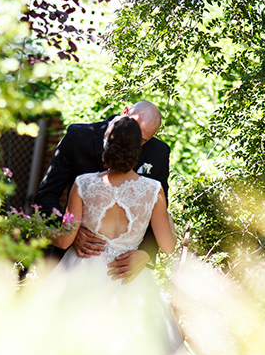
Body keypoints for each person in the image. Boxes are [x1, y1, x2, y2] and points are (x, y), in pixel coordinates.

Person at [49, 116, 182, 355]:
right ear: (137, 151)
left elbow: (64, 239)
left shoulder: (84, 184)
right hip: (128, 278)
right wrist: (168, 222)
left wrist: (46, 231)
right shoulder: (153, 190)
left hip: (81, 272)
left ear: (107, 145)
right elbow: (169, 246)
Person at [34, 101, 170, 281]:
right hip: (73, 262)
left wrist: (146, 253)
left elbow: (159, 209)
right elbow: (46, 194)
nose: (133, 138)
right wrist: (69, 231)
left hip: (123, 271)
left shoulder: (159, 152)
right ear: (124, 111)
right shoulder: (78, 137)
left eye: (143, 140)